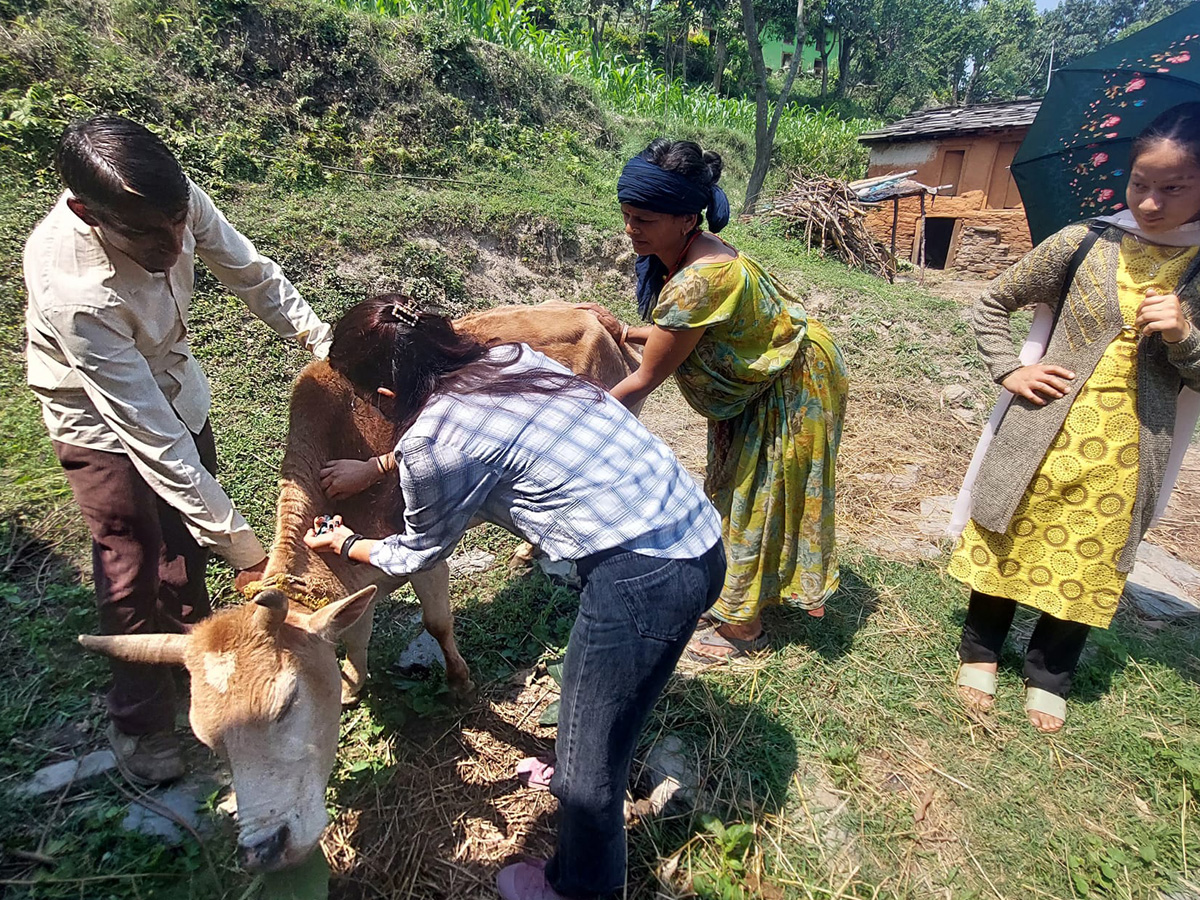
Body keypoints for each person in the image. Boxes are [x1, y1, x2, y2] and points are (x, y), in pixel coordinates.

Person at [304, 295, 725, 900]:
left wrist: (347, 544)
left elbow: (416, 553)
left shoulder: (427, 445)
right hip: (694, 535)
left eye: (371, 400)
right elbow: (467, 438)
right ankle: (597, 756)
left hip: (643, 578)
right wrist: (377, 468)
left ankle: (578, 887)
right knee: (602, 713)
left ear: (388, 399)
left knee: (585, 780)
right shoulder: (508, 358)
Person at [23, 115, 333, 782]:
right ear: (84, 211)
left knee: (184, 550)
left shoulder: (176, 202)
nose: (171, 244)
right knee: (130, 562)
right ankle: (141, 726)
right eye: (144, 234)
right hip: (100, 421)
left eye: (177, 223)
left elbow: (252, 273)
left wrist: (325, 344)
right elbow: (151, 440)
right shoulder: (74, 292)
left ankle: (209, 673)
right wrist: (250, 554)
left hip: (173, 384)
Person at [948, 102, 1200, 733]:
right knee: (1011, 525)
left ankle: (1050, 672)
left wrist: (1185, 336)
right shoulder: (1088, 239)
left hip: (1132, 444)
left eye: (1173, 189)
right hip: (1045, 423)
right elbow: (991, 300)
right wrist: (1009, 369)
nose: (1149, 202)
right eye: (1140, 183)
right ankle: (981, 650)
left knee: (1094, 552)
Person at [576, 139, 848, 663]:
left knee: (758, 496)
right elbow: (679, 334)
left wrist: (571, 422)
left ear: (685, 219)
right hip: (768, 373)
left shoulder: (700, 279)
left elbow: (643, 381)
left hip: (791, 383)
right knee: (732, 486)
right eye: (627, 215)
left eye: (645, 219)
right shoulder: (689, 258)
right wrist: (630, 331)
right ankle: (731, 593)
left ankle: (742, 628)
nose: (631, 228)